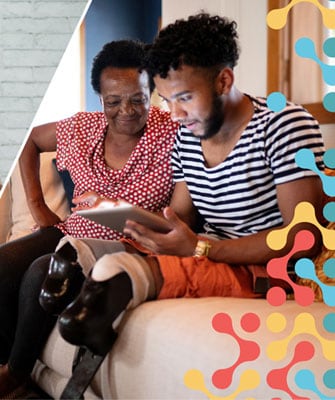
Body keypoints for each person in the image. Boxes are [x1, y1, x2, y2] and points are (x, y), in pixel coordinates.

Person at [53, 12, 326, 399]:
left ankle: (107, 295)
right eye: (167, 100)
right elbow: (178, 218)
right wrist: (119, 210)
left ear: (223, 80)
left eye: (184, 97)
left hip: (267, 268)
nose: (175, 114)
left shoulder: (283, 125)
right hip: (211, 249)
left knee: (124, 269)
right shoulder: (187, 139)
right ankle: (86, 265)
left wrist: (201, 248)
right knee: (85, 248)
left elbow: (303, 238)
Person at [0, 39, 178, 397]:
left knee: (42, 272)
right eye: (113, 101)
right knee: (4, 263)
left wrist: (113, 209)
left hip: (126, 243)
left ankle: (16, 376)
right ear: (100, 98)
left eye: (138, 99)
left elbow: (177, 218)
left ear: (152, 92)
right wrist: (38, 206)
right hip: (71, 230)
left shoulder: (172, 135)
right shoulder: (83, 128)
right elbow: (30, 142)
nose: (126, 110)